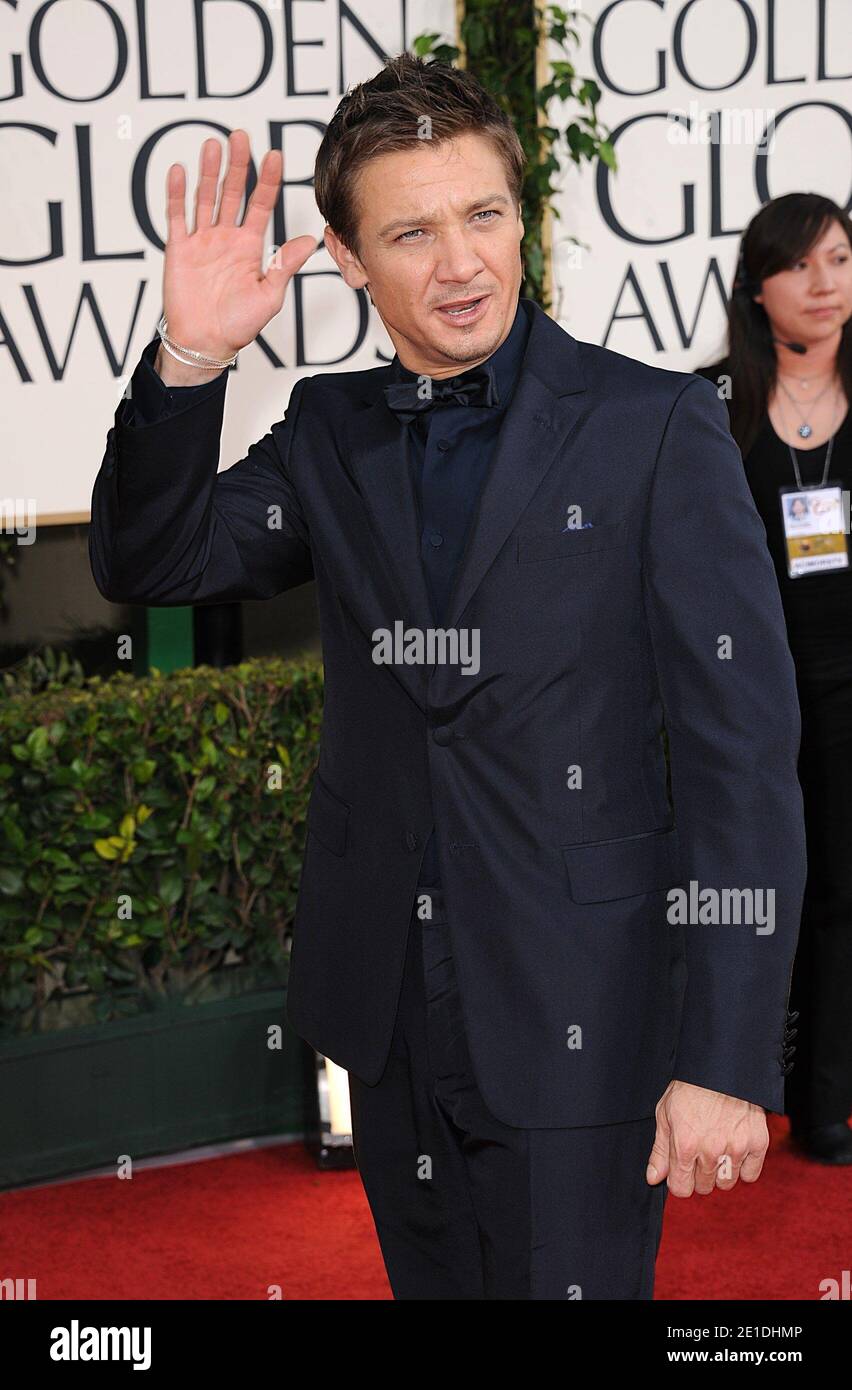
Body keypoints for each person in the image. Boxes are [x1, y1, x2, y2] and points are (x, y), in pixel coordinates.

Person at [89, 55, 806, 1299]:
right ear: (353, 261)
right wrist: (189, 364)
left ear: (520, 217)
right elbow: (155, 557)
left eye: (483, 215)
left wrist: (729, 1057)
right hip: (389, 1011)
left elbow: (743, 756)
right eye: (412, 232)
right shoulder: (330, 428)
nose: (462, 261)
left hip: (585, 1006)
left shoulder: (655, 426)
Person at [698, 193, 852, 1165]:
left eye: (839, 258)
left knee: (843, 895)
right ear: (759, 287)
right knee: (747, 897)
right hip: (742, 698)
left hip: (850, 694)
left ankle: (826, 1097)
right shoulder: (711, 407)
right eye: (801, 264)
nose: (826, 282)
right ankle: (728, 1082)